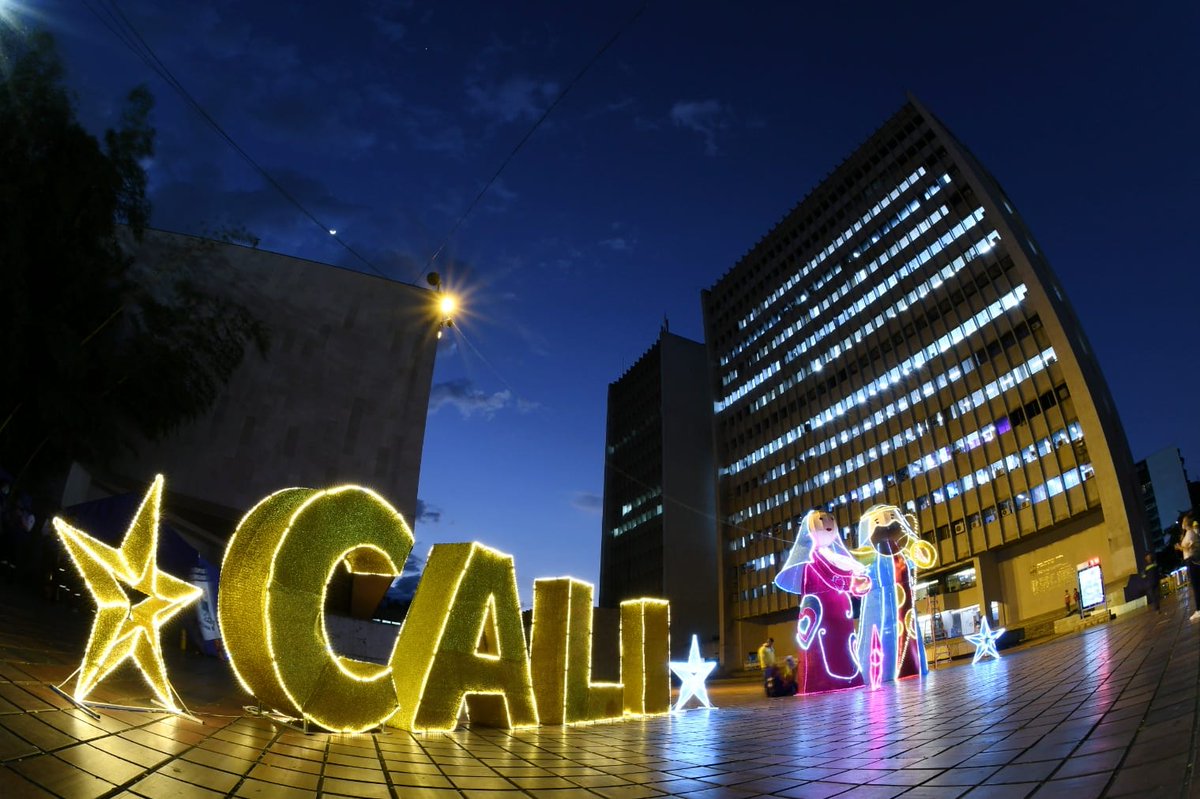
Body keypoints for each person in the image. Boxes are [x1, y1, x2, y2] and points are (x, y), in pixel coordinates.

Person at [774, 509, 871, 694]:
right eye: (821, 521)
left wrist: (858, 580)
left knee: (845, 645)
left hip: (841, 613)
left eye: (831, 520)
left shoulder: (835, 556)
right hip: (822, 612)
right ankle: (823, 682)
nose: (828, 524)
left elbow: (847, 572)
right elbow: (832, 576)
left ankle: (849, 678)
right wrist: (851, 580)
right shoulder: (812, 558)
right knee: (824, 646)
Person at [1176, 511, 1200, 622]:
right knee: (1195, 585)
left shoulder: (1190, 533)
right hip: (1189, 560)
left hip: (1191, 560)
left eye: (1183, 521)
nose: (1182, 523)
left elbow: (1190, 547)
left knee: (1196, 585)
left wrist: (1180, 548)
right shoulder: (1187, 533)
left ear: (1187, 523)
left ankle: (1199, 610)